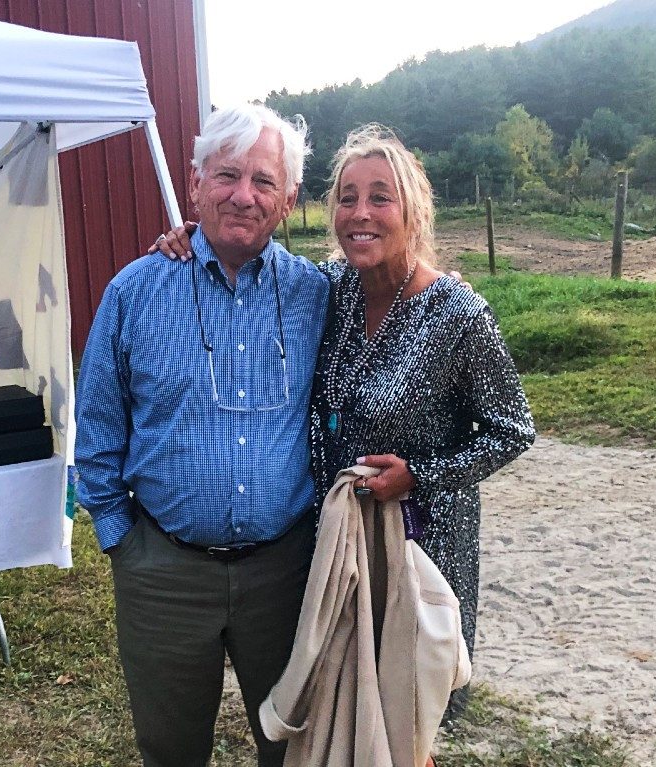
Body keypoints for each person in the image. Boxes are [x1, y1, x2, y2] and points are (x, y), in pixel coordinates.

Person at [154, 124, 536, 736]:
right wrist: (188, 237)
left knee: (406, 708)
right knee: (343, 704)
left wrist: (420, 475)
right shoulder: (329, 291)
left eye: (380, 197)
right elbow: (248, 261)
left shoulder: (457, 314)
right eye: (348, 198)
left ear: (412, 209)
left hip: (418, 546)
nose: (361, 213)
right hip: (334, 548)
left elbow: (513, 428)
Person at [74, 104, 329, 767]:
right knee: (170, 748)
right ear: (194, 184)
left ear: (289, 199)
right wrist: (119, 538)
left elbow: (398, 295)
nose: (243, 195)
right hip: (162, 571)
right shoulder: (134, 291)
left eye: (264, 181)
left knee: (296, 744)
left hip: (285, 571)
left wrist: (444, 288)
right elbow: (97, 428)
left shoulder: (319, 296)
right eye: (226, 175)